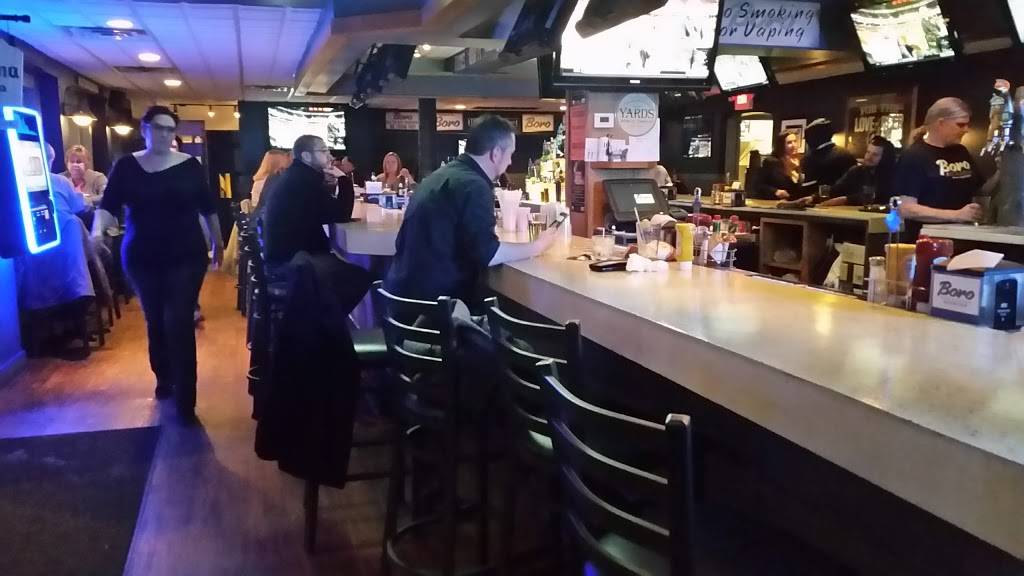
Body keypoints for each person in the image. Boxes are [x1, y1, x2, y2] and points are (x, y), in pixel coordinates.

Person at [91, 105, 223, 424]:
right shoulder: (126, 166)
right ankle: (164, 376)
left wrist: (218, 242)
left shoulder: (189, 165)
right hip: (142, 255)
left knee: (179, 320)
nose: (165, 134)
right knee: (155, 319)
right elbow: (108, 206)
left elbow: (208, 207)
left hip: (186, 253)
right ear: (145, 130)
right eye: (158, 128)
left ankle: (186, 400)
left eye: (169, 129)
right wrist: (96, 232)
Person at [385, 115, 559, 308]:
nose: (510, 161)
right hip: (435, 311)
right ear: (496, 153)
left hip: (401, 301)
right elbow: (488, 254)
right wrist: (538, 246)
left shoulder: (440, 176)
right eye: (510, 153)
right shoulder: (474, 185)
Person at [895, 97, 998, 239]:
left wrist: (1002, 171)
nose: (966, 130)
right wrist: (956, 215)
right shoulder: (915, 156)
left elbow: (980, 190)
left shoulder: (961, 151)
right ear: (941, 123)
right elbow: (906, 208)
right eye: (960, 125)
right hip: (927, 240)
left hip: (963, 237)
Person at [262, 135, 350, 267]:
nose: (331, 157)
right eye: (324, 151)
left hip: (287, 257)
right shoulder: (304, 181)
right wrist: (343, 179)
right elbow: (342, 215)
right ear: (306, 156)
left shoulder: (296, 175)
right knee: (365, 275)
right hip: (296, 265)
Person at [819, 135, 897, 207]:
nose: (869, 157)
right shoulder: (856, 171)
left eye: (875, 155)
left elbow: (876, 196)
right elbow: (835, 190)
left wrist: (846, 199)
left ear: (885, 158)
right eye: (868, 152)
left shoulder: (892, 175)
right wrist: (815, 197)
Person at [801, 118, 858, 189]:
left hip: (818, 195)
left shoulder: (810, 158)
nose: (807, 142)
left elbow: (807, 188)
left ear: (815, 137)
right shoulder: (846, 154)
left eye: (808, 138)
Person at [754, 131, 803, 200]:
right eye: (789, 143)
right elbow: (758, 185)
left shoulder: (800, 161)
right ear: (781, 145)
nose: (794, 145)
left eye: (795, 141)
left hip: (794, 203)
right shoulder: (771, 162)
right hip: (775, 203)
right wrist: (775, 191)